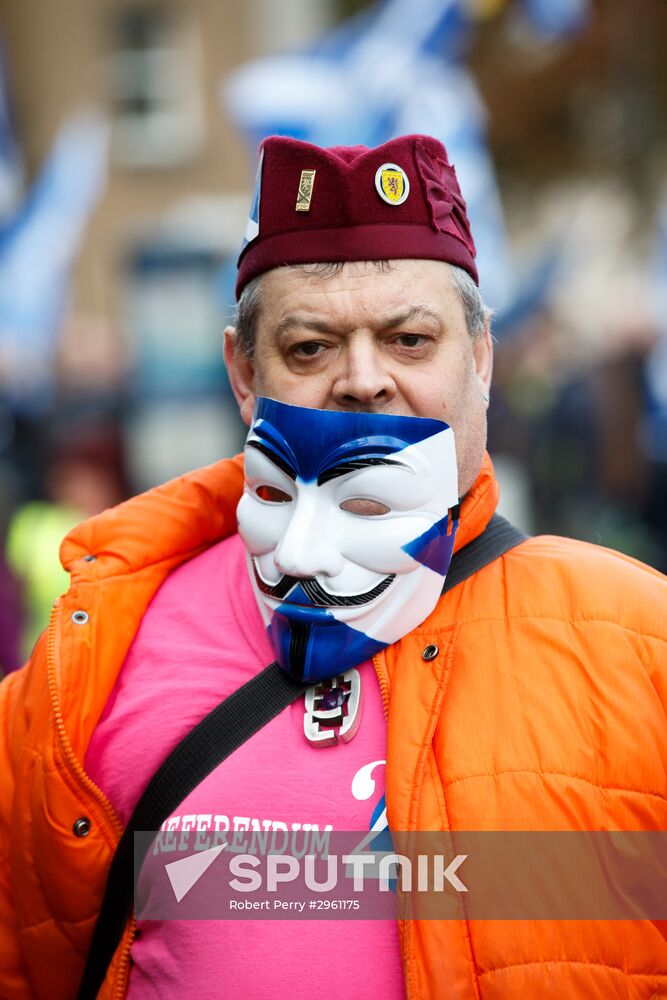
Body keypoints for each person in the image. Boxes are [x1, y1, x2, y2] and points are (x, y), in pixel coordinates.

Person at [1, 134, 665, 1000]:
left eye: (409, 339)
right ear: (243, 372)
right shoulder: (88, 664)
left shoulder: (638, 641)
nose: (363, 380)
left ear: (482, 359)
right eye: (310, 347)